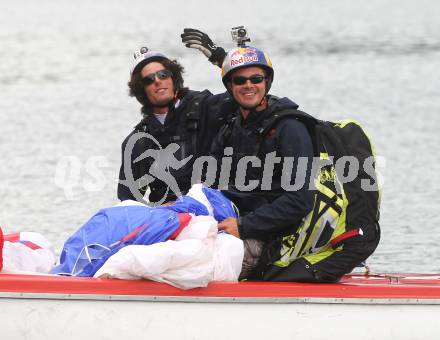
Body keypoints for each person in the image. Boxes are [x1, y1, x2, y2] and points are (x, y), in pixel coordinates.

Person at [183, 30, 380, 283]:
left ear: (267, 83)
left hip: (273, 239)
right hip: (234, 221)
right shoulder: (232, 127)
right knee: (168, 235)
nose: (249, 85)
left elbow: (300, 200)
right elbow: (209, 183)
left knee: (186, 261)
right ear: (229, 87)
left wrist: (243, 227)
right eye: (240, 81)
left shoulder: (289, 129)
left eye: (256, 78)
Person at [117, 46, 234, 205]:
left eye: (163, 75)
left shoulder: (205, 107)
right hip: (170, 218)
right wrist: (158, 211)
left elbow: (245, 96)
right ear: (141, 90)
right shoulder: (138, 140)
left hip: (215, 205)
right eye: (149, 80)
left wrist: (224, 61)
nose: (157, 81)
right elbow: (128, 200)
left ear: (174, 78)